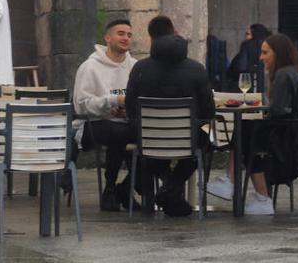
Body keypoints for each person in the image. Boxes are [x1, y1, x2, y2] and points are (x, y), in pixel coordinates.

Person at [125, 15, 215, 217]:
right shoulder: (197, 69)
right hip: (187, 142)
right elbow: (209, 111)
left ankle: (165, 190)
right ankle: (171, 189)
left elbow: (130, 107)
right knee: (203, 143)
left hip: (149, 140)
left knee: (149, 152)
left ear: (151, 39)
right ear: (174, 33)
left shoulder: (140, 69)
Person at [207, 33, 298, 215]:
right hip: (291, 139)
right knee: (245, 130)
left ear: (277, 53)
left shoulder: (283, 74)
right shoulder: (293, 72)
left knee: (245, 132)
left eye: (265, 52)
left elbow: (279, 111)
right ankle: (234, 183)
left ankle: (255, 193)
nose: (261, 57)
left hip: (285, 144)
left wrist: (261, 108)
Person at [72, 19, 138, 211]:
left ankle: (124, 187)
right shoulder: (89, 67)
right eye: (121, 33)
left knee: (147, 135)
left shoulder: (134, 66)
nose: (126, 38)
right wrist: (112, 101)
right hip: (93, 123)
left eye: (129, 34)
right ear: (107, 38)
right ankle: (111, 188)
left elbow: (134, 99)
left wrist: (126, 108)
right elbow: (81, 106)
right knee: (118, 133)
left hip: (124, 121)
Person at [226, 23, 271, 92]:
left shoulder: (247, 45)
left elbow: (241, 66)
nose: (245, 36)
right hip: (262, 86)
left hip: (246, 85)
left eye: (247, 34)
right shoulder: (267, 45)